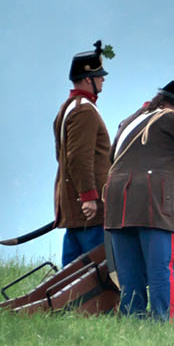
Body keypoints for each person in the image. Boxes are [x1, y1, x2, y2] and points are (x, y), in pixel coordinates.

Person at [105, 79, 174, 319]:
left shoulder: (131, 120)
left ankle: (132, 318)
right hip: (154, 203)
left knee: (129, 270)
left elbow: (112, 156)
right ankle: (163, 320)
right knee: (162, 268)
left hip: (118, 202)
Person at [54, 40, 113, 265]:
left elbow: (63, 155)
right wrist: (88, 197)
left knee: (71, 269)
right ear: (88, 79)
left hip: (73, 202)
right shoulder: (84, 111)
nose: (103, 80)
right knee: (97, 268)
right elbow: (79, 157)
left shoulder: (69, 107)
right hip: (89, 206)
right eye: (99, 76)